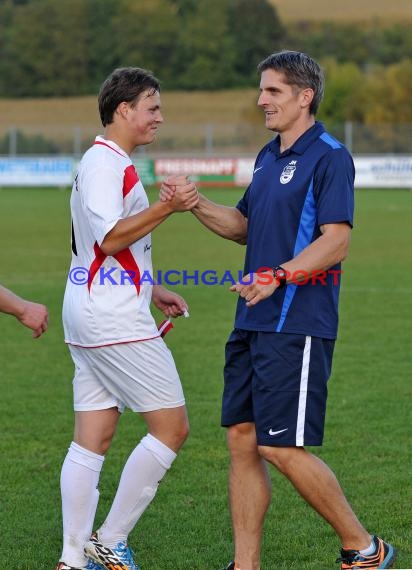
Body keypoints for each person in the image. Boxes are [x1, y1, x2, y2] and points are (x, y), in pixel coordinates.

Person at [161, 51, 396, 570]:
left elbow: (335, 242)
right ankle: (245, 566)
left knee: (281, 447)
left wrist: (278, 275)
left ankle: (364, 547)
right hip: (252, 319)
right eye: (261, 90)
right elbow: (242, 226)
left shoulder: (330, 156)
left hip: (297, 322)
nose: (261, 99)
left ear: (305, 96)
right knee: (243, 441)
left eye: (273, 91)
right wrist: (196, 203)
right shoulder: (269, 157)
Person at [57, 67, 199, 570]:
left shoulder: (105, 162)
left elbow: (108, 248)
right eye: (152, 107)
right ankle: (109, 540)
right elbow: (109, 238)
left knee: (92, 438)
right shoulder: (105, 164)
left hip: (94, 309)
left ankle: (72, 560)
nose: (160, 117)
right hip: (110, 319)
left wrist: (150, 285)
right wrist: (168, 206)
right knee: (172, 427)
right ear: (124, 110)